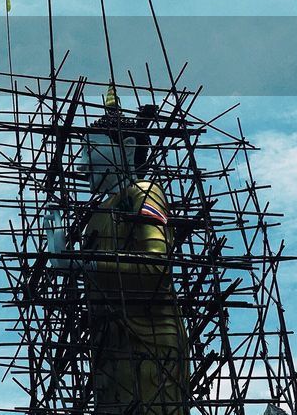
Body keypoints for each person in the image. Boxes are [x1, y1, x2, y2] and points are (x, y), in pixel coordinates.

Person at [44, 85, 190, 414]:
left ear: (126, 147)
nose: (82, 166)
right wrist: (64, 257)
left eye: (89, 151)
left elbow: (157, 269)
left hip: (149, 343)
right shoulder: (96, 219)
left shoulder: (143, 193)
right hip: (109, 348)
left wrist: (79, 265)